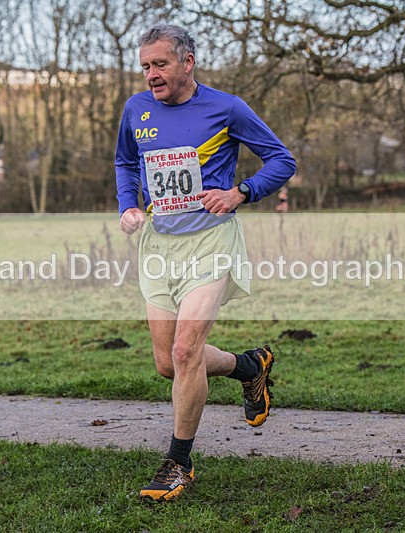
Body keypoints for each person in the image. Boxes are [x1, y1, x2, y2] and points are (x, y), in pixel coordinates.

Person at [115, 23, 296, 502]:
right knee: (167, 364)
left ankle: (179, 462)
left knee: (185, 352)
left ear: (187, 62)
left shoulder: (226, 108)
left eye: (160, 64)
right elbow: (126, 163)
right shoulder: (136, 109)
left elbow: (282, 160)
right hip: (159, 245)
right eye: (146, 66)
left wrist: (240, 192)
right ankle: (249, 366)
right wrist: (128, 205)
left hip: (212, 242)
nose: (151, 74)